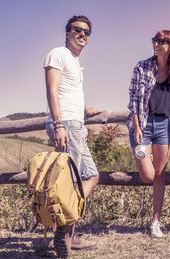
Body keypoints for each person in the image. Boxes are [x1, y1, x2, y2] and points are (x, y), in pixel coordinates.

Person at [44, 15, 100, 256]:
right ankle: (66, 233)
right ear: (67, 32)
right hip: (66, 124)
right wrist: (58, 124)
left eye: (87, 31)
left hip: (75, 124)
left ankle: (67, 229)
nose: (82, 34)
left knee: (92, 176)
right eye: (77, 29)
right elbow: (52, 91)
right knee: (72, 182)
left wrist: (85, 111)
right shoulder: (57, 53)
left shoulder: (75, 62)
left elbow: (68, 93)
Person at [127, 30, 170, 238]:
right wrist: (138, 127)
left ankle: (156, 222)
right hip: (143, 123)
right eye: (155, 41)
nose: (156, 44)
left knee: (160, 175)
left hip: (164, 126)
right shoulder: (142, 67)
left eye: (161, 41)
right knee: (148, 175)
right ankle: (142, 155)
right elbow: (133, 101)